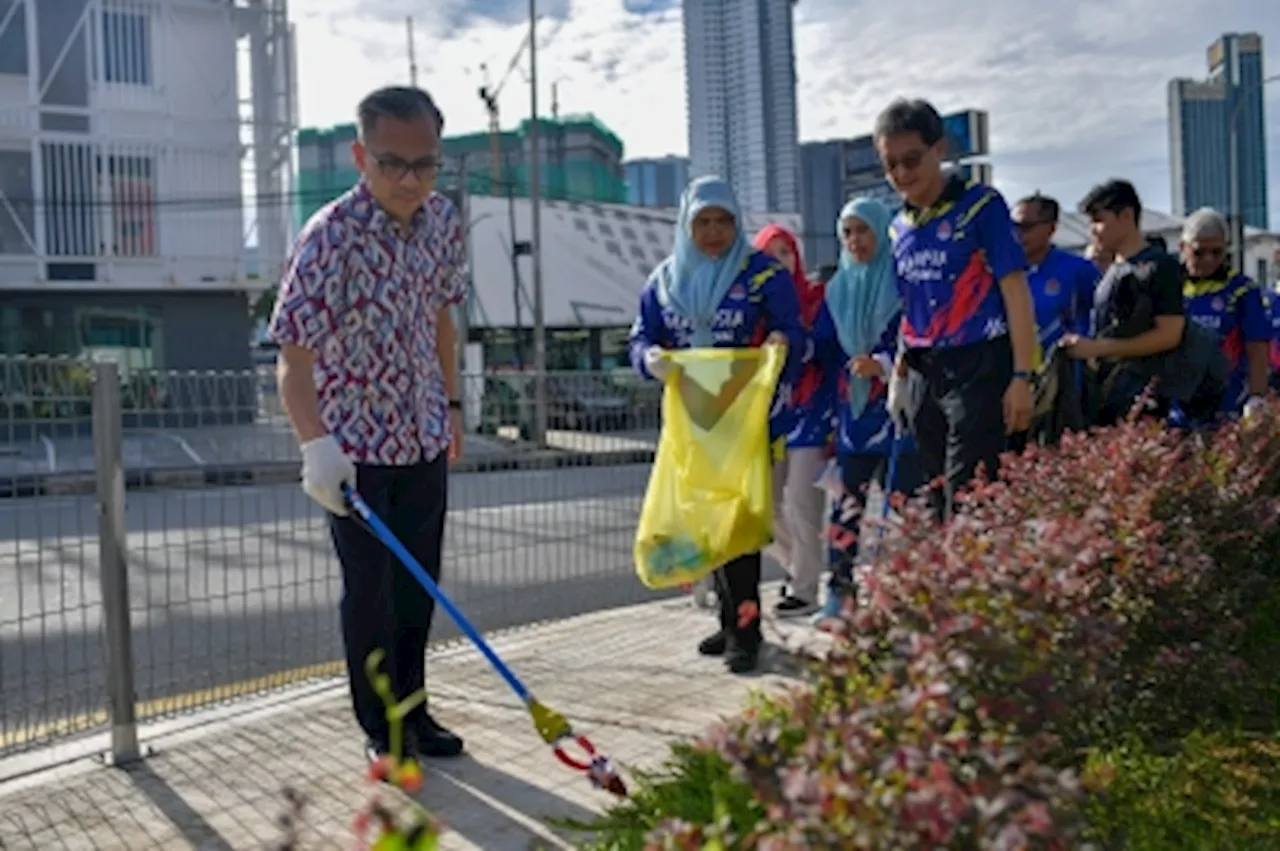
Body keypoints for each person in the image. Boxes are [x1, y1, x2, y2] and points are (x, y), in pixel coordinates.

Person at [269, 85, 467, 766]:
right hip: (353, 452)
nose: (411, 180)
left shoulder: (441, 220)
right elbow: (293, 357)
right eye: (393, 164)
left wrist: (453, 405)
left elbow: (443, 317)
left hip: (422, 436)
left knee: (419, 586)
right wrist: (315, 447)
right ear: (361, 155)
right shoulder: (329, 236)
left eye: (426, 164)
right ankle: (381, 727)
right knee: (372, 592)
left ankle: (415, 710)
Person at [628, 176, 804, 674]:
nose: (712, 232)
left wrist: (779, 344)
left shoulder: (764, 276)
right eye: (701, 221)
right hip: (693, 426)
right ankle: (730, 620)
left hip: (747, 424)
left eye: (722, 221)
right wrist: (652, 359)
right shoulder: (664, 282)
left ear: (737, 223)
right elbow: (640, 340)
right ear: (686, 224)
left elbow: (795, 332)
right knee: (706, 528)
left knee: (742, 531)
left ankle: (746, 634)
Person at [873, 98, 1036, 521]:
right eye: (891, 165)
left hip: (980, 362)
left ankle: (980, 584)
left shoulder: (982, 207)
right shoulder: (898, 227)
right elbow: (911, 304)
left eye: (912, 160)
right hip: (926, 368)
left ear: (939, 149)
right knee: (937, 494)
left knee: (973, 494)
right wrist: (900, 374)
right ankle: (948, 583)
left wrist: (1022, 375)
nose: (903, 174)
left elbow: (1016, 291)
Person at [810, 197, 925, 624]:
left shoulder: (904, 283)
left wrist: (882, 362)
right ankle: (840, 594)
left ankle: (914, 594)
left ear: (882, 232)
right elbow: (822, 353)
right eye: (848, 232)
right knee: (844, 511)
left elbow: (918, 336)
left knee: (907, 511)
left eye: (864, 231)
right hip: (852, 421)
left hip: (899, 417)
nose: (856, 240)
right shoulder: (837, 289)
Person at [1063, 179, 1225, 426]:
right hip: (1111, 395)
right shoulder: (1114, 269)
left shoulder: (1159, 267)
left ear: (1126, 216)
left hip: (1147, 397)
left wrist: (1099, 348)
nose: (1093, 230)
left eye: (1099, 220)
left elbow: (1169, 334)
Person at [753, 224, 833, 617]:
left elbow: (832, 352)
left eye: (786, 252)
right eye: (770, 253)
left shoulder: (818, 300)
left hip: (813, 413)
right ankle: (804, 567)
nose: (779, 261)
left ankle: (804, 589)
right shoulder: (754, 306)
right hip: (770, 417)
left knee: (802, 502)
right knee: (761, 509)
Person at [1176, 207, 1271, 420]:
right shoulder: (1168, 286)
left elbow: (1257, 348)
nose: (1209, 259)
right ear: (1183, 248)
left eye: (1217, 252)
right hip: (1178, 408)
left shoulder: (1243, 290)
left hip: (1227, 406)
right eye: (1199, 252)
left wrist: (1257, 397)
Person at [1012, 193, 1100, 350]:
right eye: (1013, 227)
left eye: (1026, 227)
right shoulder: (1003, 272)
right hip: (1014, 368)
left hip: (1064, 367)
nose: (1018, 234)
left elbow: (1101, 320)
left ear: (1051, 228)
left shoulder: (1079, 269)